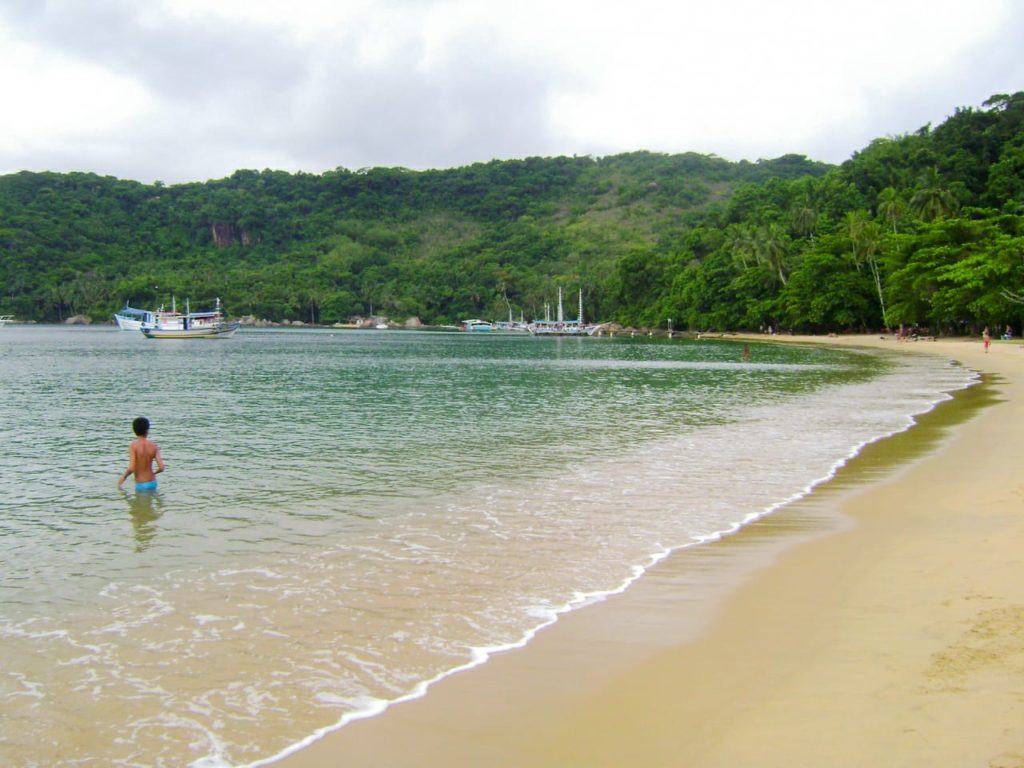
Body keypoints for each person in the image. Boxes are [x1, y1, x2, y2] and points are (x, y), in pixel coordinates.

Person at [118, 416, 165, 492]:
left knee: (140, 503)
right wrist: (154, 473)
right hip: (153, 482)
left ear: (134, 430)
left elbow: (132, 468)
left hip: (141, 484)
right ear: (147, 430)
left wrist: (123, 477)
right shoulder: (153, 445)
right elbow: (162, 467)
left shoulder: (133, 446)